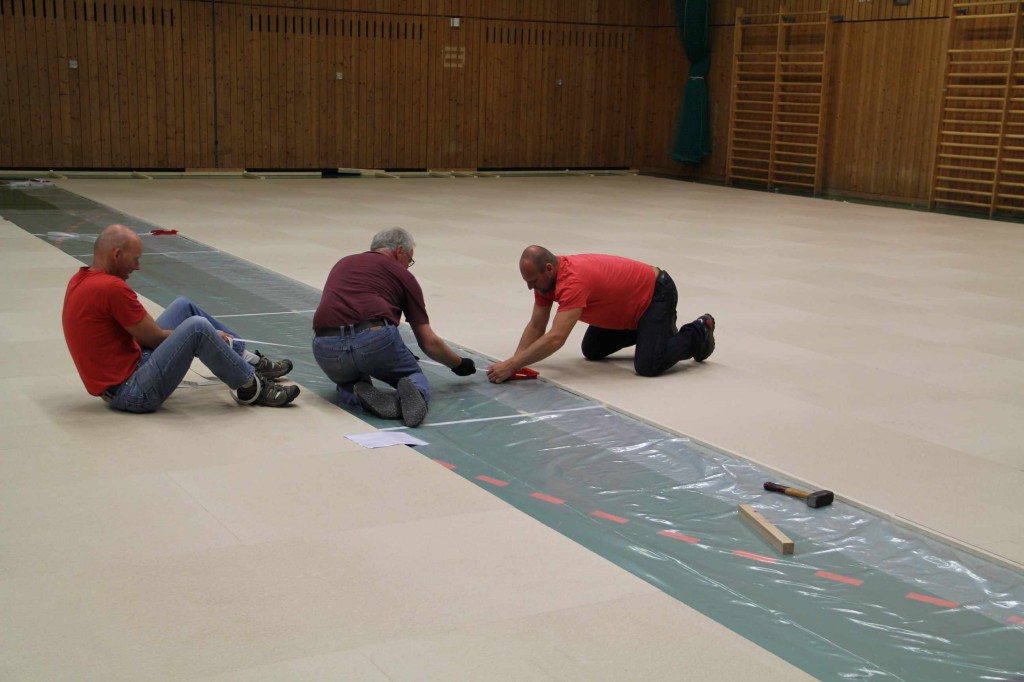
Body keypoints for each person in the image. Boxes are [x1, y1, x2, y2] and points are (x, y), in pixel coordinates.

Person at [62, 224, 299, 412]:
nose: (137, 266)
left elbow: (143, 336)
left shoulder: (82, 279)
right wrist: (212, 335)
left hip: (125, 375)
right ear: (116, 255)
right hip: (131, 392)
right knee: (198, 328)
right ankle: (251, 387)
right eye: (134, 259)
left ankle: (246, 360)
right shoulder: (112, 288)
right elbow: (154, 339)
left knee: (183, 306)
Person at [311, 227, 476, 427]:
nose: (408, 266)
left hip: (325, 346)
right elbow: (429, 343)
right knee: (412, 376)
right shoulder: (403, 275)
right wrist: (459, 364)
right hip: (373, 338)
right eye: (410, 260)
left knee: (345, 382)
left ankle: (355, 393)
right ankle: (413, 392)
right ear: (399, 251)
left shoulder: (343, 263)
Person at [486, 245, 715, 383]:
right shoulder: (545, 283)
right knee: (592, 350)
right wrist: (514, 363)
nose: (530, 288)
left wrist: (513, 364)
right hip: (627, 306)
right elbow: (537, 325)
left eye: (533, 281)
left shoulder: (572, 281)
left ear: (549, 268)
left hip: (656, 294)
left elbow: (556, 337)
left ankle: (699, 331)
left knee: (648, 366)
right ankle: (653, 332)